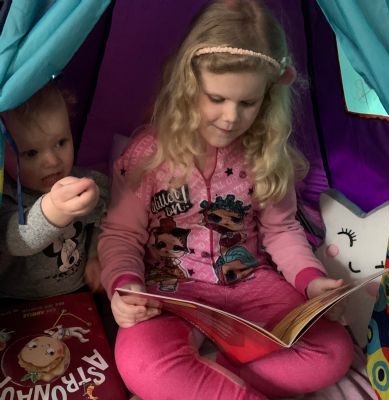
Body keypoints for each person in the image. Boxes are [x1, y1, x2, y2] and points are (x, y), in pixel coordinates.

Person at [98, 1, 353, 399]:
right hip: (171, 294)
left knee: (333, 350)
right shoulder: (148, 155)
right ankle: (209, 379)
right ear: (188, 85)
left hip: (253, 287)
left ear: (268, 97)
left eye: (248, 103)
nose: (231, 117)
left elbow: (282, 231)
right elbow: (121, 236)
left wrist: (311, 281)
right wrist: (126, 287)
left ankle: (207, 373)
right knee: (139, 362)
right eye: (216, 98)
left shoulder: (267, 155)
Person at [0, 82, 108, 299]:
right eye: (31, 153)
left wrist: (95, 256)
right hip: (17, 301)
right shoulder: (6, 195)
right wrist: (55, 209)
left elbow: (103, 218)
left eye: (61, 142)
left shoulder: (87, 182)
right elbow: (16, 240)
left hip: (78, 293)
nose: (52, 161)